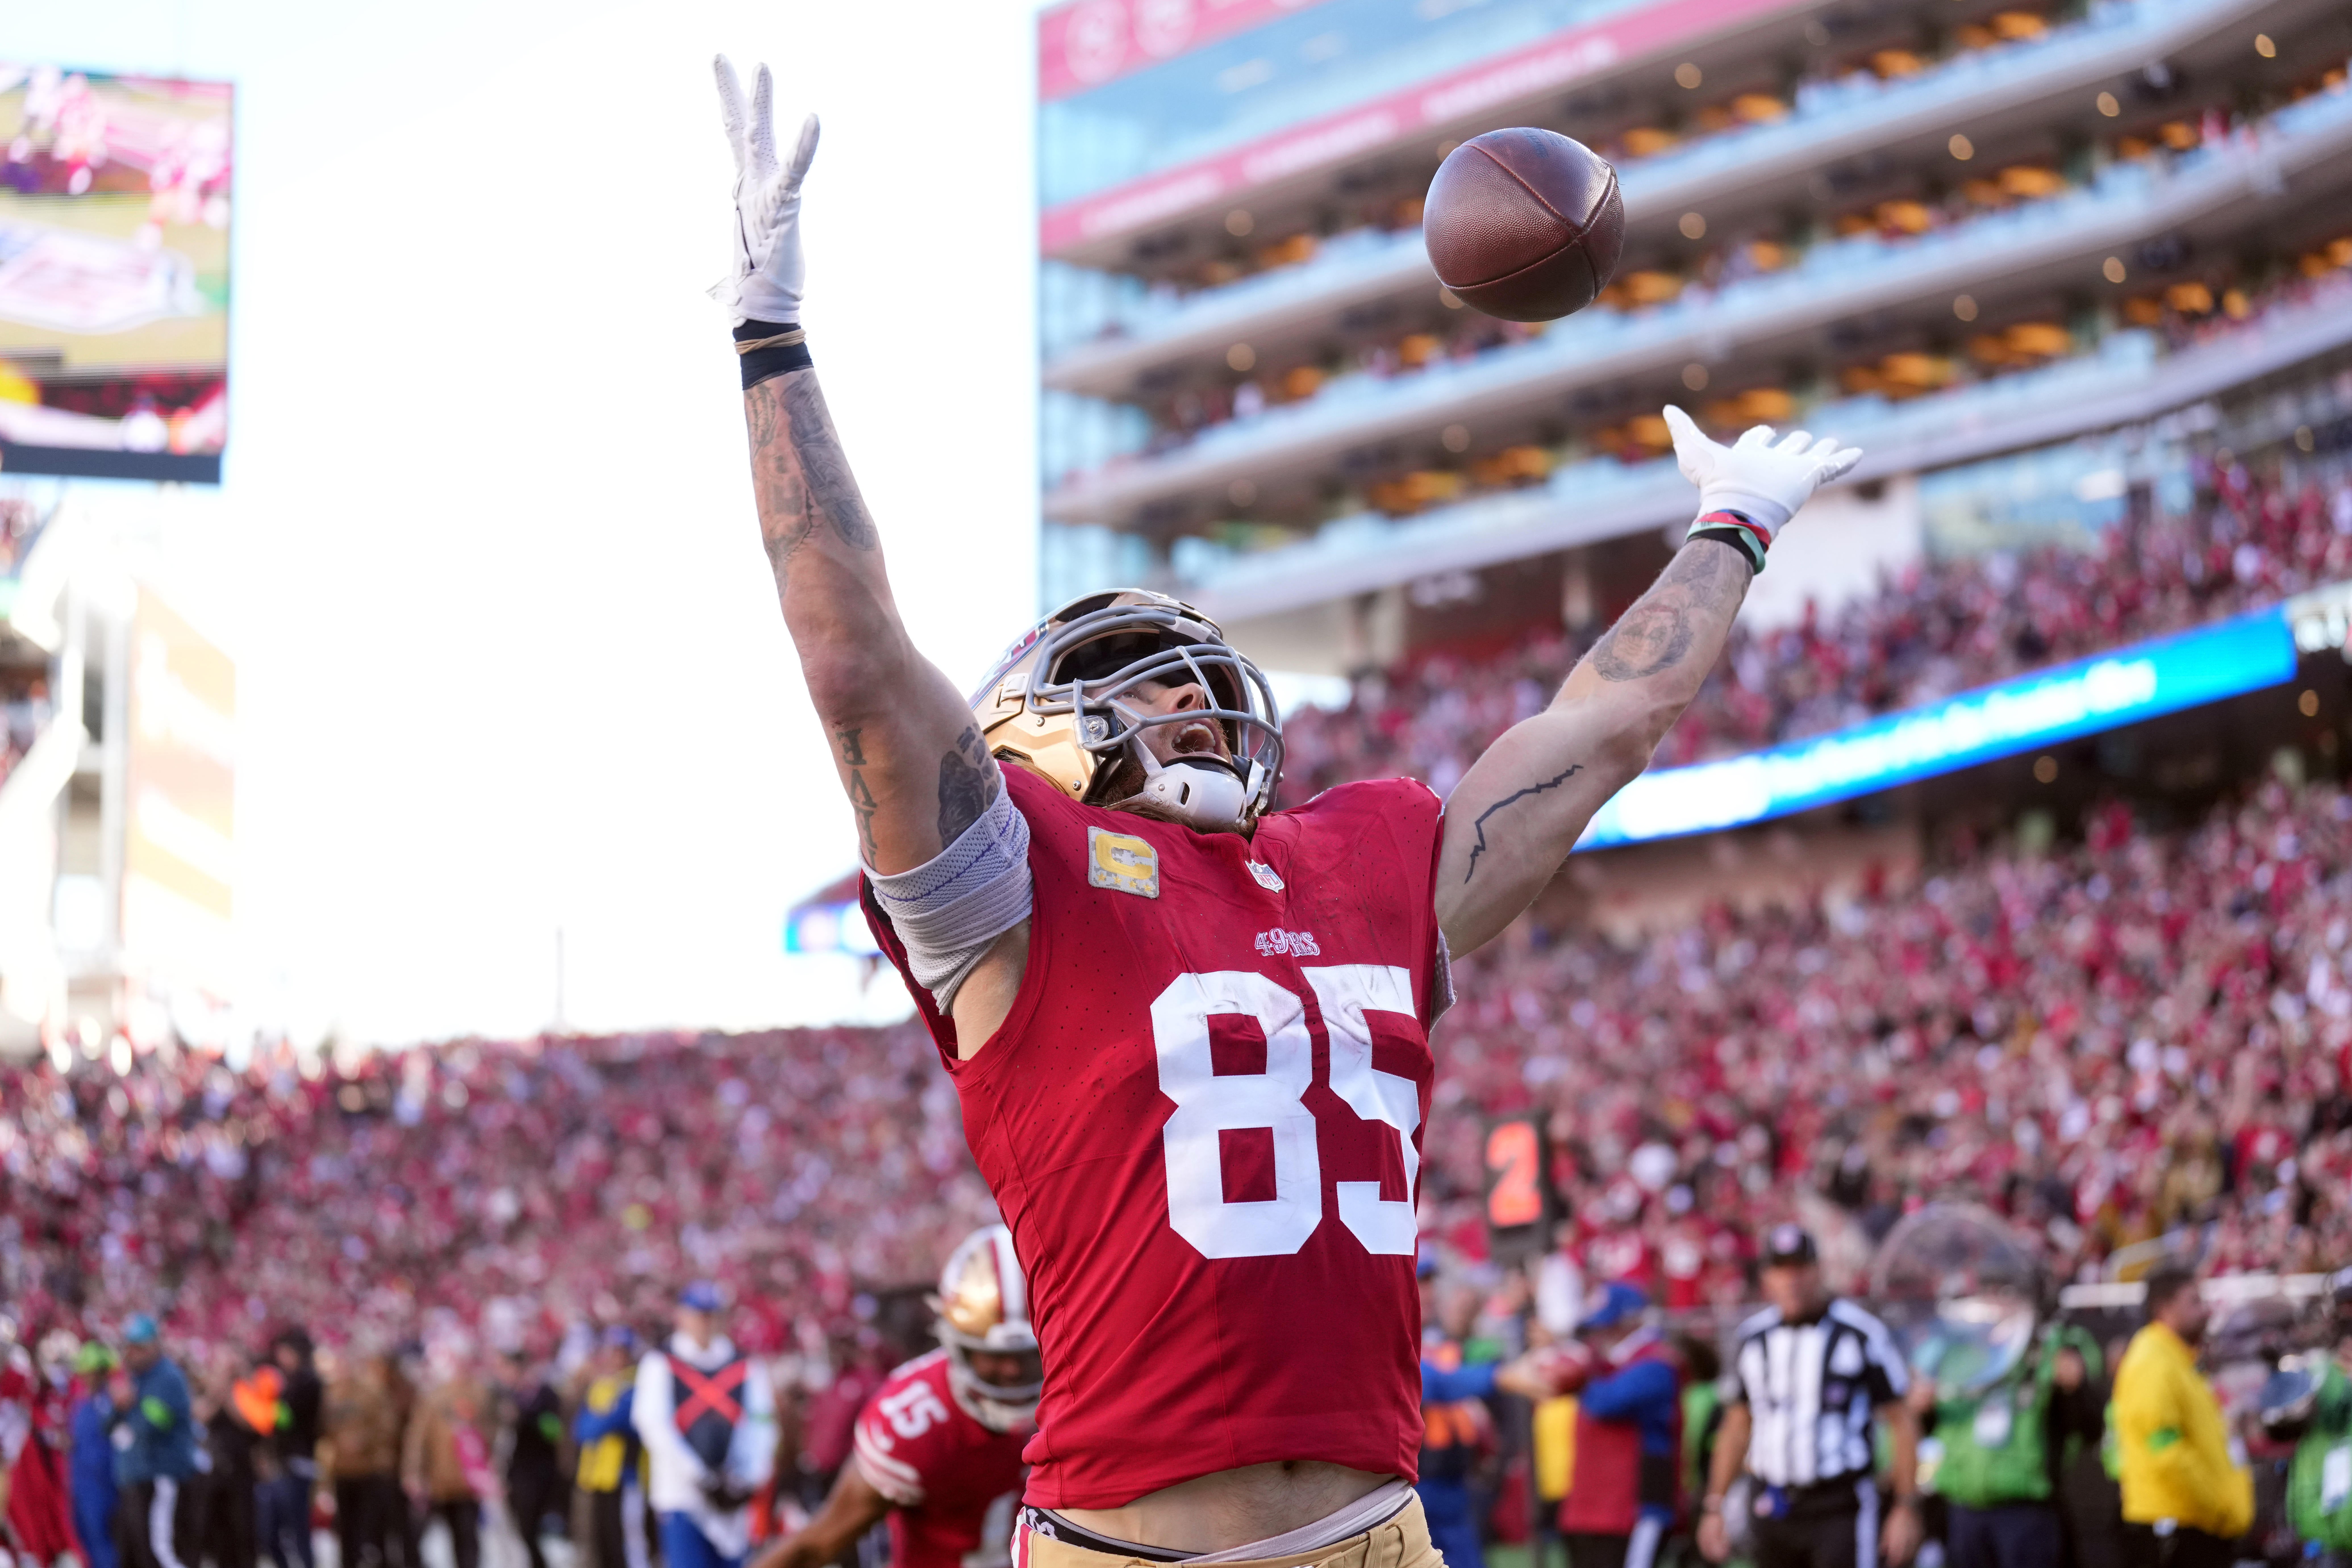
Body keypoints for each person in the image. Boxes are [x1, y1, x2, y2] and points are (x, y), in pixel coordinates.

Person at [706, 55, 1861, 1567]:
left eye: (1194, 679)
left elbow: (1603, 730)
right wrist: (771, 339)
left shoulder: (1358, 856)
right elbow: (854, 660)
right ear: (1029, 740)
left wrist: (1730, 527)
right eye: (1135, 684)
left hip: (1381, 1534)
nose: (1189, 703)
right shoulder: (1009, 886)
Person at [752, 1227, 1037, 1568]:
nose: (1012, 1372)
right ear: (955, 1343)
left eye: (1029, 1356)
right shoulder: (916, 1420)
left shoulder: (1084, 1388)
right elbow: (816, 1545)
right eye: (993, 1356)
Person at [1697, 1226, 1921, 1568]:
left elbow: (1901, 1420)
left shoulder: (1860, 1333)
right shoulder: (1753, 1339)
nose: (1792, 1280)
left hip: (1840, 1503)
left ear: (1818, 1271)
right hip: (1772, 1501)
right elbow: (1737, 1426)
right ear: (1767, 1277)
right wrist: (1716, 1504)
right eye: (1781, 1269)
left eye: (1800, 1268)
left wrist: (1906, 1506)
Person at [1909, 1299, 2103, 1568]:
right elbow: (1930, 1425)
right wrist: (1920, 1409)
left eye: (2005, 1294)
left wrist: (2075, 1388)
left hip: (2025, 1510)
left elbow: (2091, 1428)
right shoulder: (1953, 1350)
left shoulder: (2052, 1347)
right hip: (1963, 1509)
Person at [2111, 1264, 2251, 1566]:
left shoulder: (2179, 1361)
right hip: (2177, 1526)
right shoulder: (2153, 1362)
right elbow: (2165, 1449)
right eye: (2194, 1301)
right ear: (2164, 1308)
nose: (2204, 1311)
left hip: (2193, 1524)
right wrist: (2218, 1506)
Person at [633, 1282, 778, 1568]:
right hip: (682, 1495)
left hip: (733, 1494)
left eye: (712, 1315)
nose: (705, 1322)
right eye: (699, 1314)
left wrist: (750, 1476)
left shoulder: (747, 1364)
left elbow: (763, 1423)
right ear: (682, 1315)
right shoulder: (660, 1363)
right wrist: (697, 1475)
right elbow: (653, 1424)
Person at [1554, 1284, 1685, 1568]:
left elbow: (1605, 1402)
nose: (1601, 1336)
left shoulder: (1656, 1363)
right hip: (1598, 1507)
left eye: (1609, 1326)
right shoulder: (1612, 1364)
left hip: (1638, 1504)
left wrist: (1575, 1373)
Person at [112, 1315, 199, 1568]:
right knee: (139, 1554)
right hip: (137, 1476)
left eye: (139, 1347)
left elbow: (152, 1425)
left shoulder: (168, 1378)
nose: (132, 1354)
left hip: (163, 1475)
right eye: (130, 1347)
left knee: (163, 1552)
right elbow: (109, 1425)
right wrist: (120, 1408)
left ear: (155, 1346)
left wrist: (129, 1405)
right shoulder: (134, 1378)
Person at [401, 1345, 497, 1568]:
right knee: (429, 1533)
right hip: (440, 1480)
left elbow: (492, 1435)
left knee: (468, 1536)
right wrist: (413, 1473)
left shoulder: (481, 1395)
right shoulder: (434, 1397)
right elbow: (418, 1438)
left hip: (469, 1481)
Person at [322, 1350, 408, 1568]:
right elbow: (323, 1427)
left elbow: (388, 1425)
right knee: (346, 1528)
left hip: (369, 1470)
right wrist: (338, 1441)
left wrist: (364, 1440)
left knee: (372, 1527)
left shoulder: (371, 1392)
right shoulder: (331, 1393)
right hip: (342, 1469)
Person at [574, 1328, 648, 1568]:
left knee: (628, 1543)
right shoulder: (604, 1386)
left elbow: (616, 1421)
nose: (615, 1358)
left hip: (627, 1476)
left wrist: (603, 1418)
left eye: (620, 1352)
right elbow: (583, 1430)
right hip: (600, 1477)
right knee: (604, 1542)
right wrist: (605, 1419)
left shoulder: (636, 1385)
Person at [258, 1329, 322, 1568]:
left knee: (297, 1529)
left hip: (298, 1464)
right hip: (286, 1464)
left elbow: (284, 1421)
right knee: (274, 1531)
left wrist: (270, 1400)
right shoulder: (292, 1382)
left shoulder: (307, 1383)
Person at [502, 1353, 568, 1568]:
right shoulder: (510, 1396)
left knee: (533, 1525)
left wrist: (527, 1416)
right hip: (518, 1472)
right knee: (523, 1527)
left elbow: (554, 1431)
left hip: (539, 1473)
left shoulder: (545, 1395)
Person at [70, 1343, 123, 1568]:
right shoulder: (81, 1405)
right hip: (81, 1486)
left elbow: (119, 1445)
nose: (87, 1378)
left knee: (105, 1545)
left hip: (103, 1488)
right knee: (86, 1541)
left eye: (92, 1373)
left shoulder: (110, 1404)